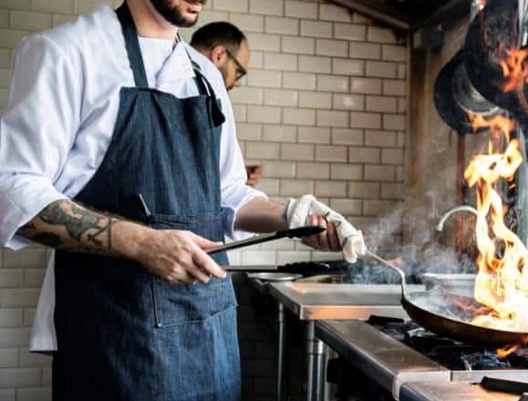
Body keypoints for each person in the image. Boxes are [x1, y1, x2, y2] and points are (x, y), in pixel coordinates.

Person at [0, 0, 366, 400]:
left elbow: (226, 192)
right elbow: (14, 188)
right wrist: (143, 243)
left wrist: (292, 216)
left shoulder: (204, 74)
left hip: (210, 334)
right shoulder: (66, 53)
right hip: (116, 337)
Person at [190, 21, 261, 187]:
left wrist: (230, 174)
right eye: (238, 72)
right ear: (219, 55)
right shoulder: (200, 94)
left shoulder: (209, 95)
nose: (237, 83)